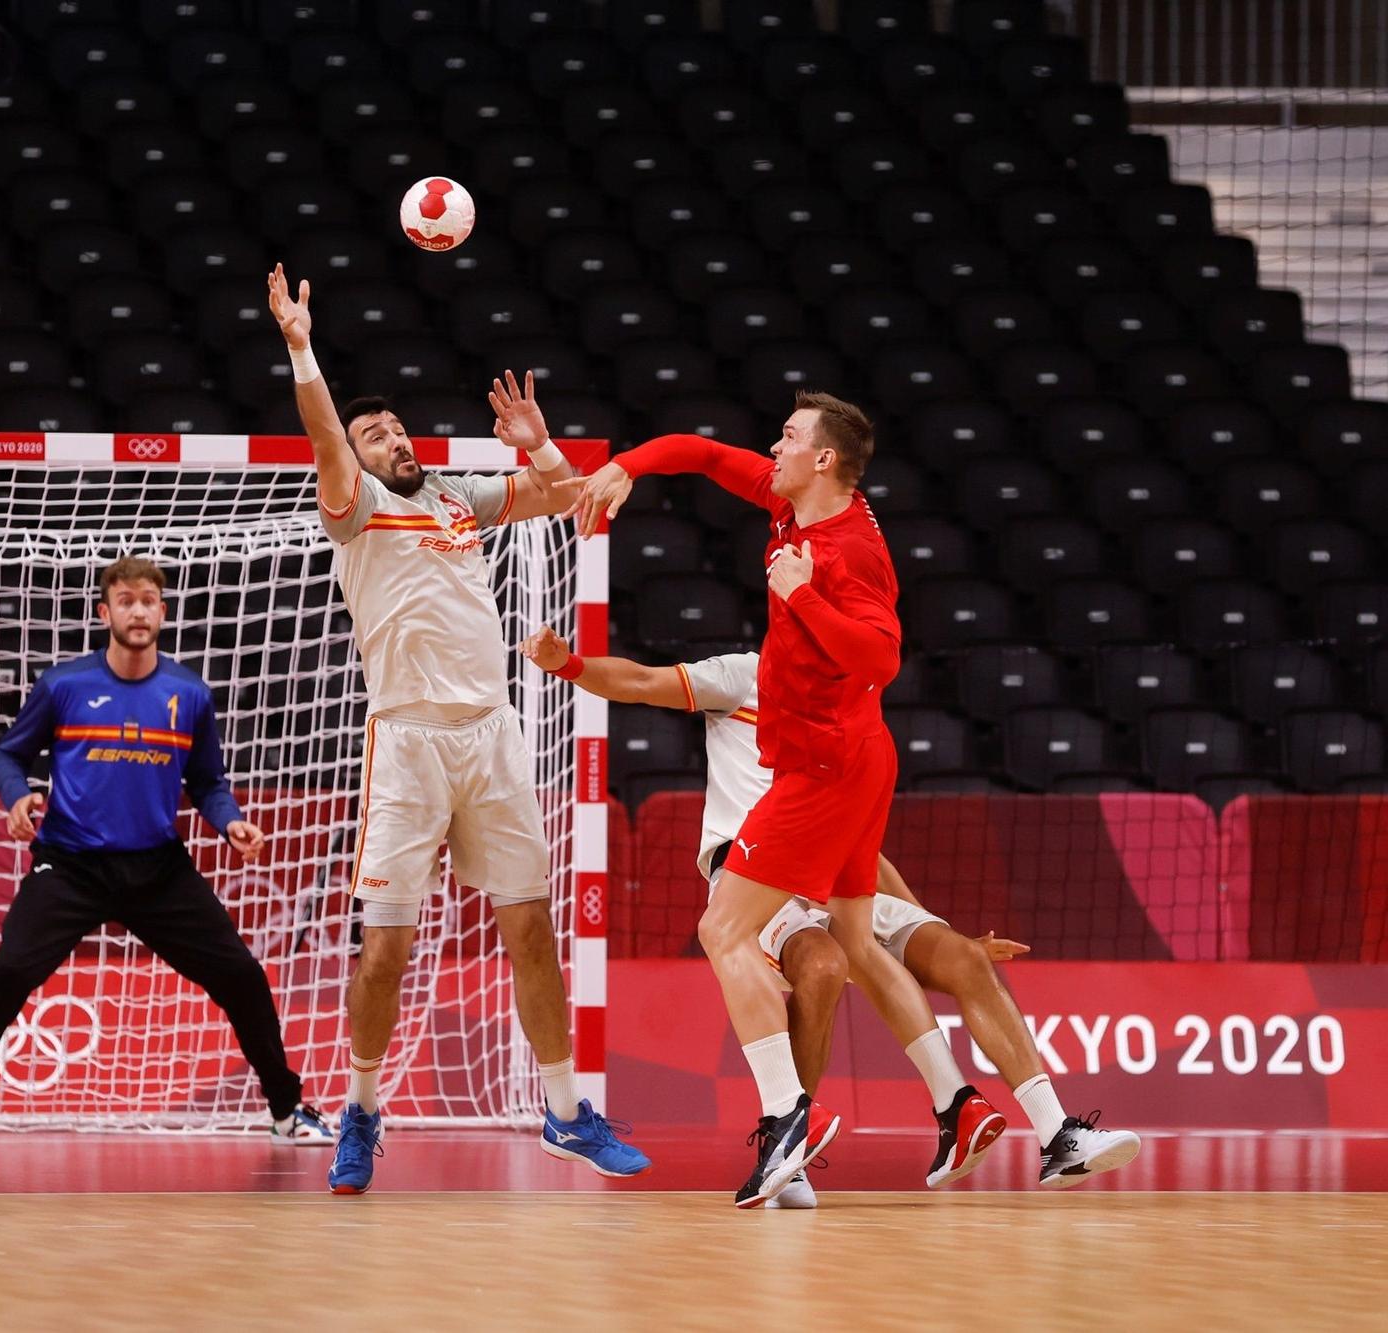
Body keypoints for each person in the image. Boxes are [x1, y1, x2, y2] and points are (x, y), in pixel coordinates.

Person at [267, 264, 650, 1193]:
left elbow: (563, 500)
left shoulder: (456, 501)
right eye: (374, 434)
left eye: (395, 427)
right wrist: (301, 346)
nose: (392, 438)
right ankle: (360, 1111)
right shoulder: (354, 507)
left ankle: (565, 1114)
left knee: (532, 930)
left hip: (493, 735)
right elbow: (324, 436)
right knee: (385, 950)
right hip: (406, 745)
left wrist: (542, 445)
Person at [522, 628, 1143, 1200]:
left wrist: (931, 926)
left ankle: (1057, 1135)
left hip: (830, 873)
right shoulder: (745, 676)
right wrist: (568, 664)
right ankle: (785, 1142)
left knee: (961, 958)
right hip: (752, 875)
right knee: (821, 963)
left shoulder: (844, 712)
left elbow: (858, 847)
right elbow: (638, 681)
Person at [561, 397, 987, 1208]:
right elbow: (705, 453)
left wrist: (800, 596)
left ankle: (788, 1114)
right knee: (856, 944)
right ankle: (956, 1103)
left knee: (723, 927)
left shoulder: (844, 547)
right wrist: (628, 465)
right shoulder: (796, 500)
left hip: (822, 767)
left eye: (790, 436)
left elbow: (883, 656)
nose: (773, 445)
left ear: (824, 458)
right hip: (850, 759)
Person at [0, 556, 334, 1145]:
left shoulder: (189, 693)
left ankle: (288, 1111)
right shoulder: (64, 686)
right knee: (4, 975)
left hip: (158, 867)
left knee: (241, 975)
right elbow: (8, 756)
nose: (138, 610)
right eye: (126, 600)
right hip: (71, 863)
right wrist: (16, 796)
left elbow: (207, 782)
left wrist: (230, 822)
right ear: (105, 612)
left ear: (162, 610)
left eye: (148, 600)